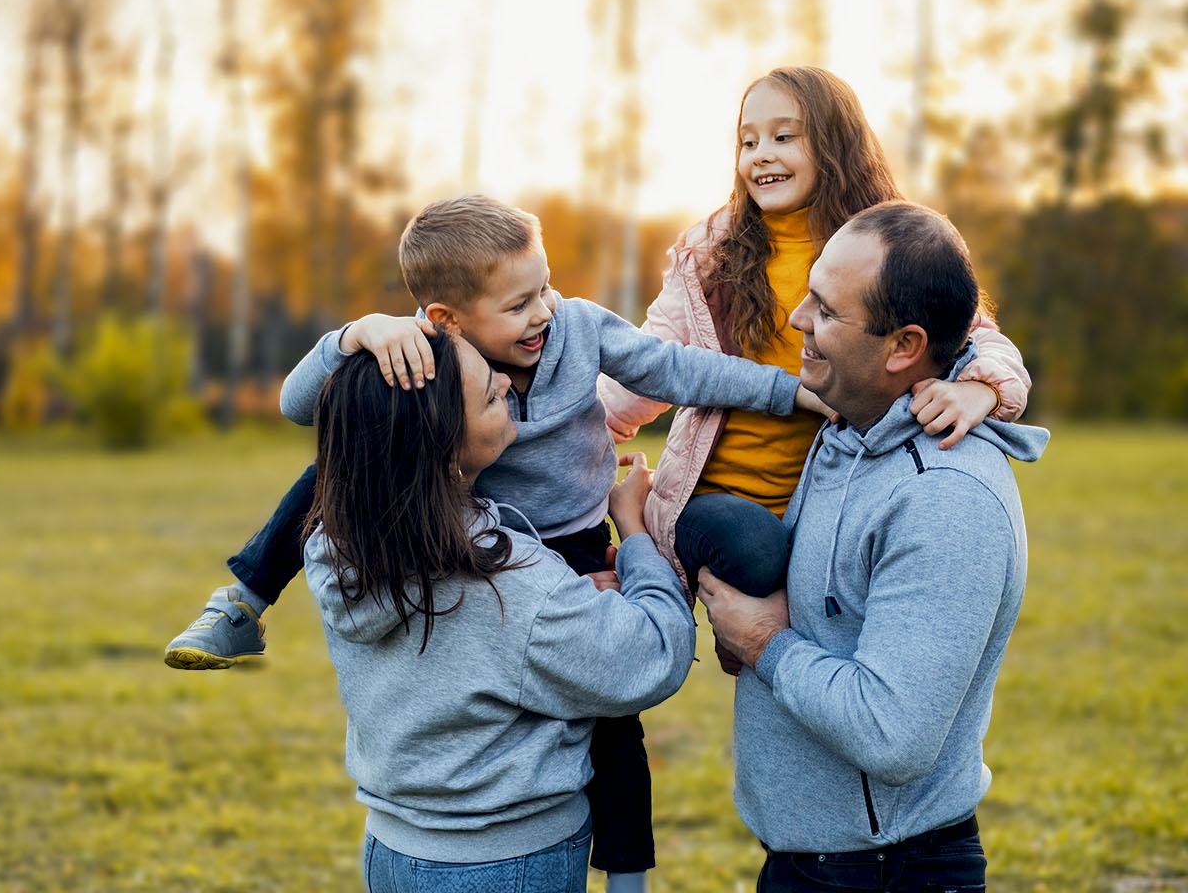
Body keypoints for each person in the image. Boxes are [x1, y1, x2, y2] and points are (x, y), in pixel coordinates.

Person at [169, 194, 829, 889]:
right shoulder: (425, 355)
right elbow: (307, 406)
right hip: (469, 540)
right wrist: (357, 334)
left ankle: (628, 874)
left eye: (543, 286)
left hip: (568, 547)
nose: (542, 310)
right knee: (339, 465)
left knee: (613, 715)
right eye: (517, 304)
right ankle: (242, 601)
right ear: (448, 320)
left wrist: (791, 392)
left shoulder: (574, 328)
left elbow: (683, 370)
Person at [696, 201, 1048, 892]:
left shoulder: (945, 498)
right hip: (818, 861)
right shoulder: (848, 429)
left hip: (886, 870)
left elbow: (894, 734)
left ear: (903, 347)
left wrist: (767, 644)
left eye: (826, 312)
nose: (798, 320)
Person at [597, 66, 1034, 603]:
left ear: (836, 146)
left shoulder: (881, 249)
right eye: (748, 141)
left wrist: (981, 389)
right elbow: (649, 361)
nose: (761, 154)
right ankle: (645, 534)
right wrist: (566, 427)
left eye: (784, 137)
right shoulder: (712, 256)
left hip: (821, 499)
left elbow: (979, 339)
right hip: (715, 498)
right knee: (755, 550)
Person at [303, 327, 693, 893]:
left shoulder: (336, 546)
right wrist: (633, 532)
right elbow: (653, 655)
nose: (508, 383)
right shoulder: (509, 584)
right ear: (443, 449)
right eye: (489, 394)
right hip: (509, 862)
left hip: (391, 849)